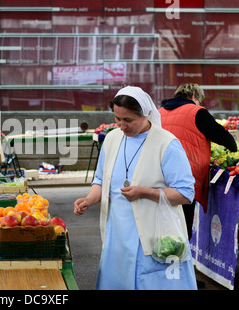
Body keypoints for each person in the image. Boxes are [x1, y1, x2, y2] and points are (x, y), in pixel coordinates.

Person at [74, 86, 197, 290]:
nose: (121, 125)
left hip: (154, 232)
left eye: (128, 120)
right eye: (117, 119)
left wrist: (145, 192)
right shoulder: (112, 139)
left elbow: (185, 194)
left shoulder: (166, 144)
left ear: (146, 115)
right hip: (118, 233)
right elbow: (101, 180)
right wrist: (88, 200)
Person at [159, 83, 237, 238]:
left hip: (159, 175)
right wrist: (233, 149)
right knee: (182, 229)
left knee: (164, 225)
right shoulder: (197, 112)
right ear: (195, 97)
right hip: (185, 176)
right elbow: (226, 139)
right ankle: (179, 260)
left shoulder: (160, 112)